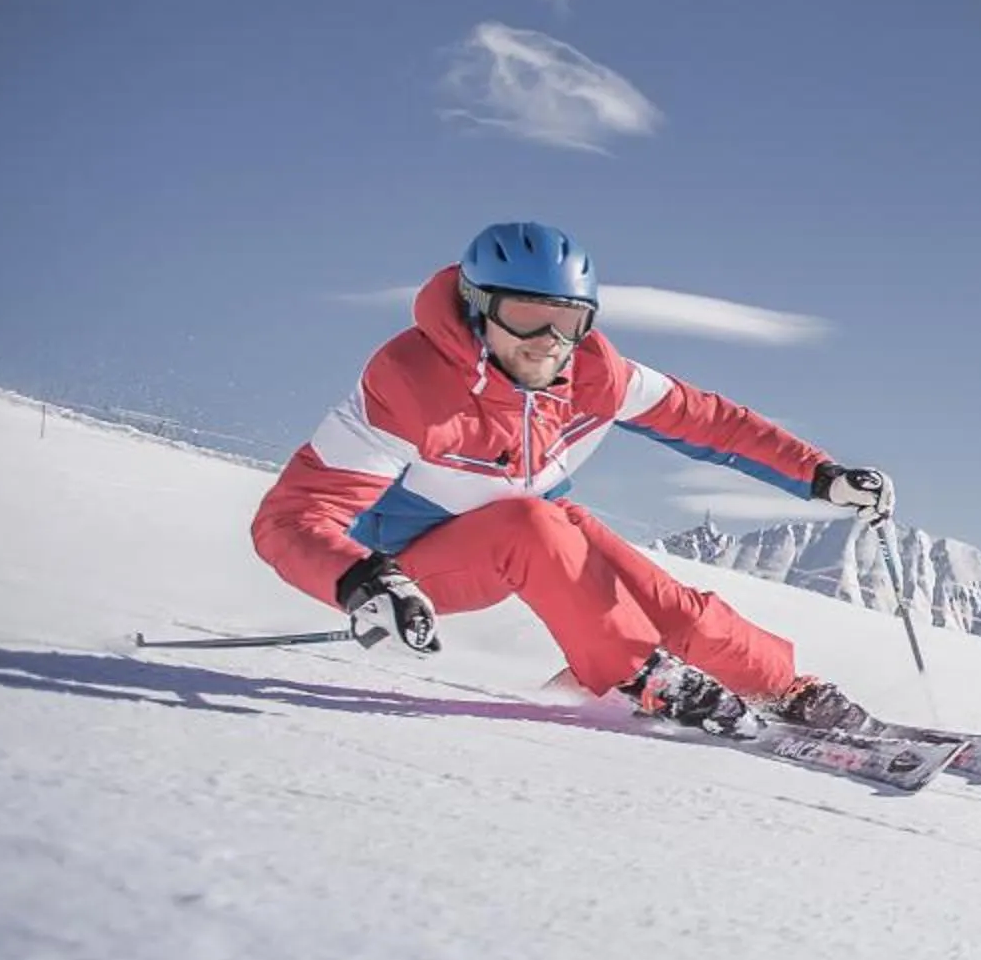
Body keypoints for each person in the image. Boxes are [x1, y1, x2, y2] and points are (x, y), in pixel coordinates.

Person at [252, 220, 895, 739]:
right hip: (412, 571)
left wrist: (820, 474)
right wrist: (364, 581)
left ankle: (780, 687)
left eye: (568, 320)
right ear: (478, 311)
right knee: (530, 523)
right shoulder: (409, 385)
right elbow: (291, 518)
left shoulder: (594, 376)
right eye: (526, 317)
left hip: (539, 540)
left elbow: (710, 422)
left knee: (654, 596)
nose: (549, 342)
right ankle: (643, 677)